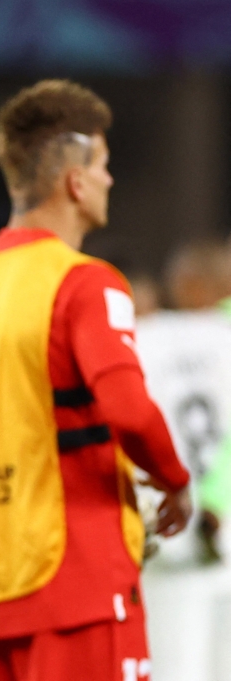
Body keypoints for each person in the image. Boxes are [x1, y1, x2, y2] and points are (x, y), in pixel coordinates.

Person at [0, 80, 193, 681]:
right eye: (102, 165)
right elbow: (128, 410)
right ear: (75, 181)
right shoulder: (85, 282)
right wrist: (175, 482)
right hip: (75, 581)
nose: (108, 180)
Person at [135, 241, 231, 681]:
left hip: (172, 523)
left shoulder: (146, 338)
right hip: (219, 519)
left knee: (174, 662)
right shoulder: (223, 334)